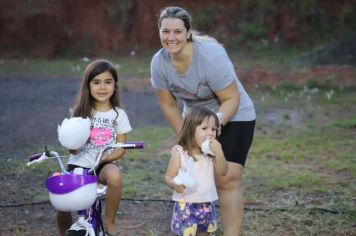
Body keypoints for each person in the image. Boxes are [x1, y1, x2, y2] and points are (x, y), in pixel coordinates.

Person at [150, 6, 256, 236]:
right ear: (158, 32)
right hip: (196, 120)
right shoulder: (158, 63)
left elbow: (231, 98)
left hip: (233, 114)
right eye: (165, 31)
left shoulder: (210, 56)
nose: (171, 37)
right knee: (198, 176)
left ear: (188, 32)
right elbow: (168, 104)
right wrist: (186, 136)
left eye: (177, 31)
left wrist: (212, 130)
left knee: (226, 178)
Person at [57, 59, 132, 236]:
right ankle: (63, 232)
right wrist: (72, 146)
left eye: (108, 82)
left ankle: (109, 221)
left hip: (104, 163)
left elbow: (121, 148)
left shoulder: (118, 114)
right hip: (79, 163)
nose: (102, 87)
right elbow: (72, 146)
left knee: (114, 175)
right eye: (96, 82)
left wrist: (106, 158)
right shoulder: (80, 112)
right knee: (62, 198)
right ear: (88, 85)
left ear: (115, 85)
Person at [165, 107, 228, 236]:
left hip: (207, 204)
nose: (210, 133)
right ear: (190, 129)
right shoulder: (180, 153)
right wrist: (174, 184)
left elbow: (223, 171)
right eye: (205, 128)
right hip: (186, 204)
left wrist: (219, 152)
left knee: (204, 233)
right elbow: (168, 176)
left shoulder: (211, 154)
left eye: (213, 129)